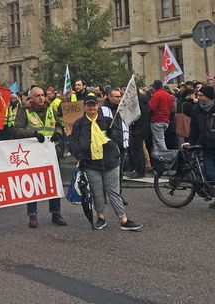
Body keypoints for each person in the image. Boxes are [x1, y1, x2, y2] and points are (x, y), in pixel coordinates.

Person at [69, 95, 142, 231]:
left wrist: (111, 134)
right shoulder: (79, 124)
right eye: (89, 105)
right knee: (97, 192)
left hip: (110, 161)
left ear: (98, 106)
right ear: (84, 106)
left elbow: (119, 137)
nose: (92, 108)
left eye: (94, 105)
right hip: (91, 163)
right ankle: (101, 217)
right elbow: (73, 142)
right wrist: (80, 156)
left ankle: (123, 219)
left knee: (113, 191)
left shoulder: (108, 121)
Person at [10, 87, 67, 228]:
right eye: (38, 96)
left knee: (53, 183)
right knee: (33, 184)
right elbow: (16, 130)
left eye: (43, 95)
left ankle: (56, 213)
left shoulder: (50, 109)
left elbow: (59, 125)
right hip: (33, 154)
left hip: (51, 152)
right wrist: (33, 133)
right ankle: (32, 215)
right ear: (31, 98)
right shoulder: (25, 111)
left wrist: (58, 133)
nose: (41, 98)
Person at [185, 86, 215, 209]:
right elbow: (194, 127)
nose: (199, 97)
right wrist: (190, 142)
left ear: (208, 96)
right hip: (206, 145)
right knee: (210, 173)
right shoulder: (196, 109)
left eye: (202, 95)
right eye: (199, 94)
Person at [148, 80, 175, 153]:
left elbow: (151, 108)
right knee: (156, 141)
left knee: (160, 141)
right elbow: (172, 109)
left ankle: (167, 158)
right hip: (166, 120)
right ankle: (158, 158)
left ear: (154, 87)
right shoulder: (168, 95)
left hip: (157, 120)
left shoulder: (156, 95)